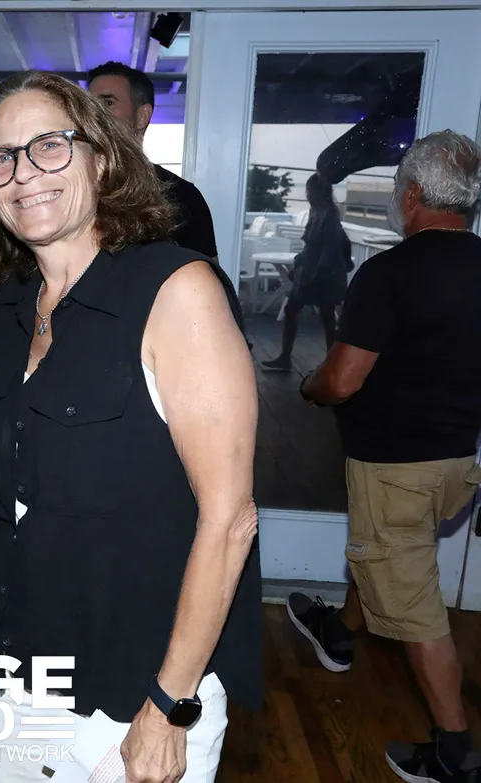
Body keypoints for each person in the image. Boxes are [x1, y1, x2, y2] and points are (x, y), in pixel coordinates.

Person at [0, 70, 263, 783]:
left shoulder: (176, 293)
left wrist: (169, 706)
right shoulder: (7, 310)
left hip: (137, 693)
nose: (24, 172)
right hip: (18, 674)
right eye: (2, 157)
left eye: (49, 146)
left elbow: (229, 519)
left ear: (100, 158)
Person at [291, 129, 481, 783]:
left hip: (394, 466)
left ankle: (454, 753)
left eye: (400, 189)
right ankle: (340, 633)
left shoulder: (390, 272)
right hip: (455, 464)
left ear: (414, 194)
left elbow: (343, 380)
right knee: (386, 553)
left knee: (417, 606)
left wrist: (309, 386)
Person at [87, 60, 219, 260]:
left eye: (108, 103)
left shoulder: (181, 197)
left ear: (142, 116)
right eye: (88, 105)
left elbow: (208, 275)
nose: (93, 114)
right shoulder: (74, 187)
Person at [262, 172, 352, 372]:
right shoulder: (318, 212)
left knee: (325, 316)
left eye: (310, 190)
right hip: (313, 273)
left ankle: (328, 364)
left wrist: (312, 275)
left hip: (323, 276)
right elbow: (310, 248)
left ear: (319, 191)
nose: (307, 194)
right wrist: (299, 265)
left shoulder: (329, 217)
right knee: (312, 314)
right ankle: (293, 359)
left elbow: (327, 252)